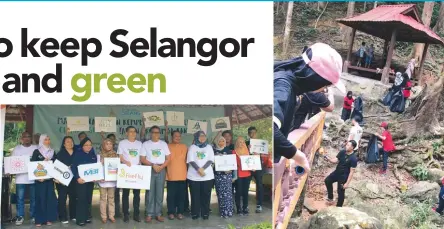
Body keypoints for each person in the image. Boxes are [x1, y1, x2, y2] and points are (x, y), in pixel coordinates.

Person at [274, 43, 345, 174]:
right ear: (316, 79)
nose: (324, 89)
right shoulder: (283, 88)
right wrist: (297, 155)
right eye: (325, 85)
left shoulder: (286, 78)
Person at [141, 125, 170, 223]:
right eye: (153, 132)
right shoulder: (145, 144)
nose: (155, 134)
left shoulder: (163, 144)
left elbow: (168, 158)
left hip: (161, 169)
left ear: (159, 134)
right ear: (150, 133)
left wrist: (161, 167)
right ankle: (149, 214)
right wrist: (153, 165)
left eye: (157, 132)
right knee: (150, 192)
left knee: (159, 192)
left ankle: (158, 213)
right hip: (149, 168)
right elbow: (142, 159)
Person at [187, 131, 215, 220]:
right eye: (200, 136)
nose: (202, 138)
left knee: (206, 196)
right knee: (195, 195)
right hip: (194, 176)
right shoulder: (192, 147)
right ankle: (195, 213)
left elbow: (211, 160)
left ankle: (205, 213)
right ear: (196, 137)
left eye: (204, 136)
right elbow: (190, 160)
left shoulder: (209, 147)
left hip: (207, 176)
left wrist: (202, 169)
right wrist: (198, 169)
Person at [31, 134, 58, 227]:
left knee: (49, 199)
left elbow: (56, 166)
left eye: (49, 139)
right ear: (41, 141)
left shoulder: (53, 152)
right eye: (45, 139)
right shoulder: (37, 152)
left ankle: (48, 219)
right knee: (40, 199)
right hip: (40, 180)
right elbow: (32, 166)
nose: (48, 141)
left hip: (49, 180)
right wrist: (38, 178)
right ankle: (39, 220)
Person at [11, 132, 37, 225]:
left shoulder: (35, 148)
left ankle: (33, 216)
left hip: (33, 178)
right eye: (25, 137)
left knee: (34, 198)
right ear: (22, 138)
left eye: (28, 136)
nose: (26, 138)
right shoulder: (17, 149)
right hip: (20, 178)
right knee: (20, 198)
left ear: (31, 138)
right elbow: (12, 162)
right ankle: (20, 216)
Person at [118, 126, 143, 222]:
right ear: (126, 133)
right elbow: (120, 156)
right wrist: (125, 161)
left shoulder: (139, 144)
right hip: (126, 171)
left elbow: (141, 156)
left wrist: (140, 164)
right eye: (130, 131)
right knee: (125, 194)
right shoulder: (122, 143)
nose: (133, 133)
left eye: (134, 131)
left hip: (136, 171)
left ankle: (136, 214)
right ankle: (126, 214)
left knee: (137, 194)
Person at [71, 137, 97, 226]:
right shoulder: (77, 154)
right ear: (82, 146)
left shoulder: (93, 155)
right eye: (86, 145)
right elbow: (73, 167)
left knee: (88, 199)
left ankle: (87, 217)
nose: (88, 146)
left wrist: (95, 177)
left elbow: (95, 168)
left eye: (90, 145)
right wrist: (77, 178)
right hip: (80, 181)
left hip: (90, 182)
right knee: (81, 199)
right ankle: (80, 219)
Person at [324, 140, 358, 207]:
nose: (346, 146)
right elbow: (335, 160)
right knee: (327, 181)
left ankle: (339, 207)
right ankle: (330, 198)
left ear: (352, 147)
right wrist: (327, 158)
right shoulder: (342, 152)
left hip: (343, 176)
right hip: (337, 172)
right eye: (347, 144)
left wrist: (347, 183)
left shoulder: (353, 158)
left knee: (340, 192)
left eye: (348, 145)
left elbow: (351, 172)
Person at [164, 124, 188, 220]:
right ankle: (171, 212)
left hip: (182, 175)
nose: (177, 138)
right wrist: (166, 128)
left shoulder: (184, 146)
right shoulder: (167, 146)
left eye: (179, 136)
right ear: (172, 137)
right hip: (171, 175)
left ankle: (180, 212)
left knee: (181, 196)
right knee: (171, 196)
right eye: (175, 136)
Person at [55, 136, 76, 224]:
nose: (70, 143)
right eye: (67, 142)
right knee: (62, 198)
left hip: (74, 179)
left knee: (73, 198)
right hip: (62, 180)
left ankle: (73, 215)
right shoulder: (60, 153)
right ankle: (63, 217)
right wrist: (57, 178)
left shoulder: (76, 153)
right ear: (64, 144)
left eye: (71, 141)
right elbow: (56, 167)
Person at [245, 127, 265, 213]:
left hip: (258, 166)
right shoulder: (245, 143)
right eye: (250, 133)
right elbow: (242, 154)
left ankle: (259, 204)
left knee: (259, 185)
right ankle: (245, 205)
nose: (252, 134)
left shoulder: (261, 143)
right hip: (248, 166)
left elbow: (264, 154)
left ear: (256, 133)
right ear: (248, 134)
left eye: (254, 132)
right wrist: (247, 150)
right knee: (246, 185)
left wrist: (259, 153)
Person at [98, 138, 118, 224]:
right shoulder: (99, 155)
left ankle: (111, 216)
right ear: (103, 145)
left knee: (111, 199)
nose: (109, 145)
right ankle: (104, 216)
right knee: (103, 199)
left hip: (112, 181)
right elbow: (97, 168)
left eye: (110, 144)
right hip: (102, 181)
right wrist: (101, 162)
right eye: (107, 144)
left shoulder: (115, 155)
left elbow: (118, 167)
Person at [213, 136, 234, 218]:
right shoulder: (214, 152)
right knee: (220, 194)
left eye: (223, 141)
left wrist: (230, 170)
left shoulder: (228, 151)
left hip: (227, 176)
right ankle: (222, 212)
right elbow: (212, 164)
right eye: (219, 141)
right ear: (217, 142)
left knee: (228, 194)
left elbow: (232, 163)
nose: (221, 143)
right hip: (218, 176)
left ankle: (229, 212)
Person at [234, 137, 252, 215]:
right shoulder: (233, 152)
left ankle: (245, 207)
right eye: (239, 142)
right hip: (239, 174)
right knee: (238, 192)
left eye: (242, 142)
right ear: (236, 143)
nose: (241, 144)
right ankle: (238, 208)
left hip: (247, 174)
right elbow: (233, 164)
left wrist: (253, 167)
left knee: (245, 192)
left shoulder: (247, 151)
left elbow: (251, 162)